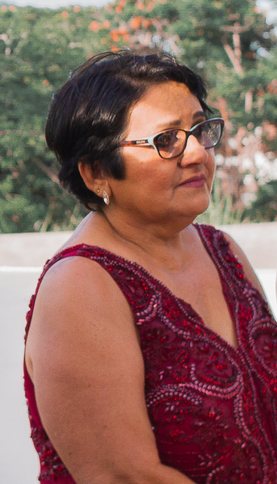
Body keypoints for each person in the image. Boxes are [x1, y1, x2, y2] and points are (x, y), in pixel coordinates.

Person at [24, 50, 277, 483]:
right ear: (97, 173)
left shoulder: (223, 251)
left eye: (199, 130)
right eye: (167, 140)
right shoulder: (81, 286)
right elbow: (125, 476)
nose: (197, 153)